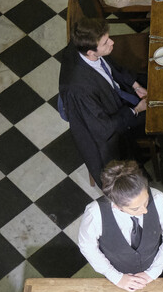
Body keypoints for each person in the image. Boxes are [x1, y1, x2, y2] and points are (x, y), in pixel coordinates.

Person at [58, 16, 147, 183]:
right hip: (111, 123)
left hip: (116, 92)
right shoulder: (80, 90)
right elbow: (103, 128)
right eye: (106, 42)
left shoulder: (84, 47)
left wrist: (135, 85)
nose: (112, 42)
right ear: (91, 53)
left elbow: (111, 67)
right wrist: (136, 110)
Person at [78, 160, 163, 291]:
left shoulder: (158, 198)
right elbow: (88, 248)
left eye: (146, 200)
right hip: (119, 275)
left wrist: (153, 272)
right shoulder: (95, 214)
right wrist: (116, 277)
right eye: (136, 208)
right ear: (116, 205)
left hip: (158, 269)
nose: (145, 210)